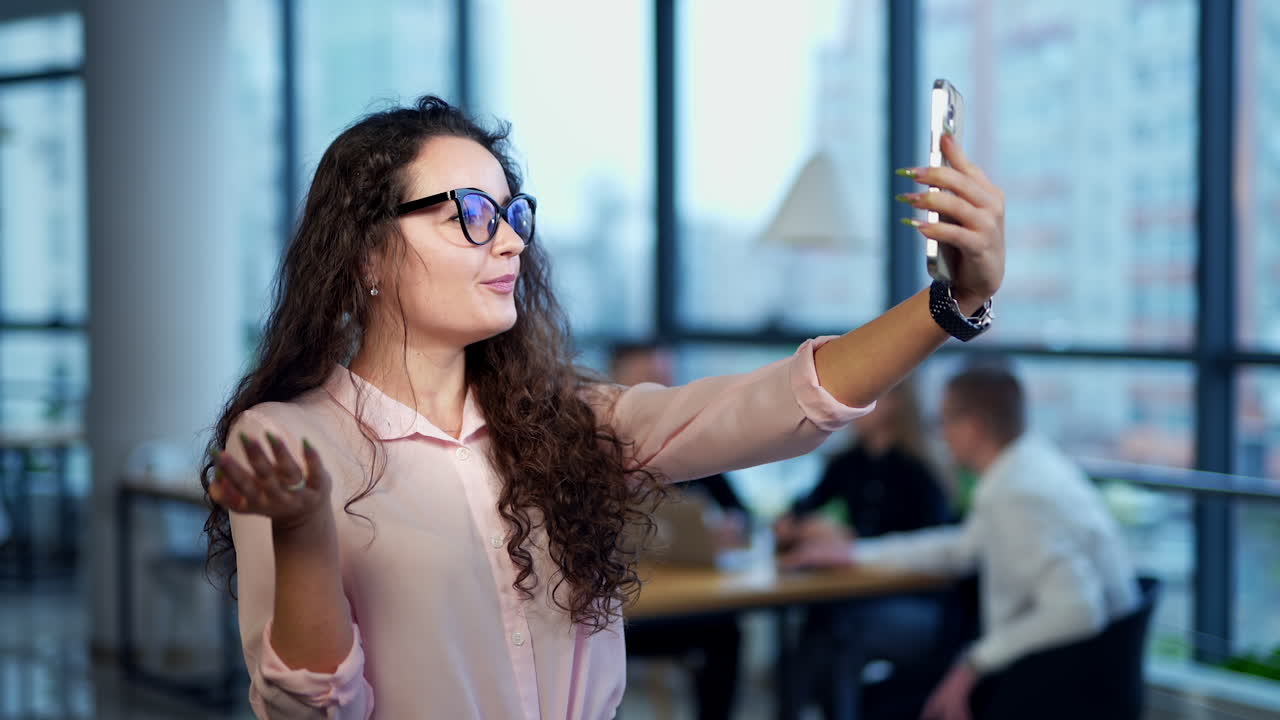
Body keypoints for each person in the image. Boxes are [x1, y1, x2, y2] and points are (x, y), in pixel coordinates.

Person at [200, 95, 1006, 719]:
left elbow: (777, 403)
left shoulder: (565, 422)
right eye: (470, 215)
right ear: (367, 253)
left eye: (512, 214)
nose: (511, 242)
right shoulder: (289, 440)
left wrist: (950, 304)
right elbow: (310, 710)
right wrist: (303, 535)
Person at [781, 367, 1138, 720]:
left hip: (1049, 681)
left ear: (973, 427)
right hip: (1072, 670)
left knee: (848, 648)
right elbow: (962, 548)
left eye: (945, 420)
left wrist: (972, 664)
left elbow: (1077, 611)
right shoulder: (1028, 466)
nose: (941, 433)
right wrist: (855, 553)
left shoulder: (1018, 493)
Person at [773, 380, 952, 719]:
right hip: (858, 595)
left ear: (895, 403)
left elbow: (931, 548)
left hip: (912, 601)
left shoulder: (919, 471)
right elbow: (805, 506)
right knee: (816, 630)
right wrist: (798, 525)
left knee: (838, 634)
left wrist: (850, 541)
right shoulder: (848, 463)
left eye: (868, 395)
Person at [610, 342, 747, 720]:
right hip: (621, 608)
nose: (663, 391)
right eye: (650, 380)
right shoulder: (594, 452)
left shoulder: (690, 448)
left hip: (683, 599)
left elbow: (740, 513)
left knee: (725, 631)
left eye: (667, 380)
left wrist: (732, 526)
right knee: (592, 634)